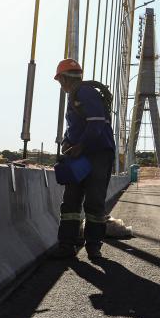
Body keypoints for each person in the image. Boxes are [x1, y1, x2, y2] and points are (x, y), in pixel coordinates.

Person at [50, 58, 117, 260]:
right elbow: (75, 127)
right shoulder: (77, 95)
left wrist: (81, 146)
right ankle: (66, 246)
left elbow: (96, 123)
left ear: (63, 78)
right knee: (70, 202)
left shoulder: (85, 93)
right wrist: (66, 142)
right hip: (81, 156)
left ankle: (93, 247)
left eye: (59, 81)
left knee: (94, 202)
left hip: (97, 155)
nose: (60, 86)